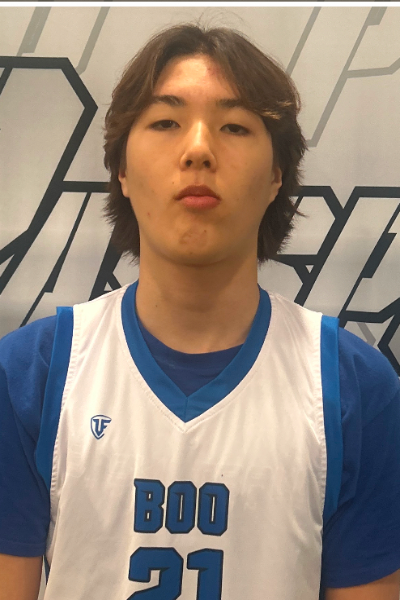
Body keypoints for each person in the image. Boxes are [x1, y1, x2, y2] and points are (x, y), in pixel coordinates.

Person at [1, 22, 400, 600]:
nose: (198, 149)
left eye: (234, 126)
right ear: (122, 170)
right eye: (166, 122)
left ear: (276, 176)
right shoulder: (29, 376)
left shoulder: (356, 391)